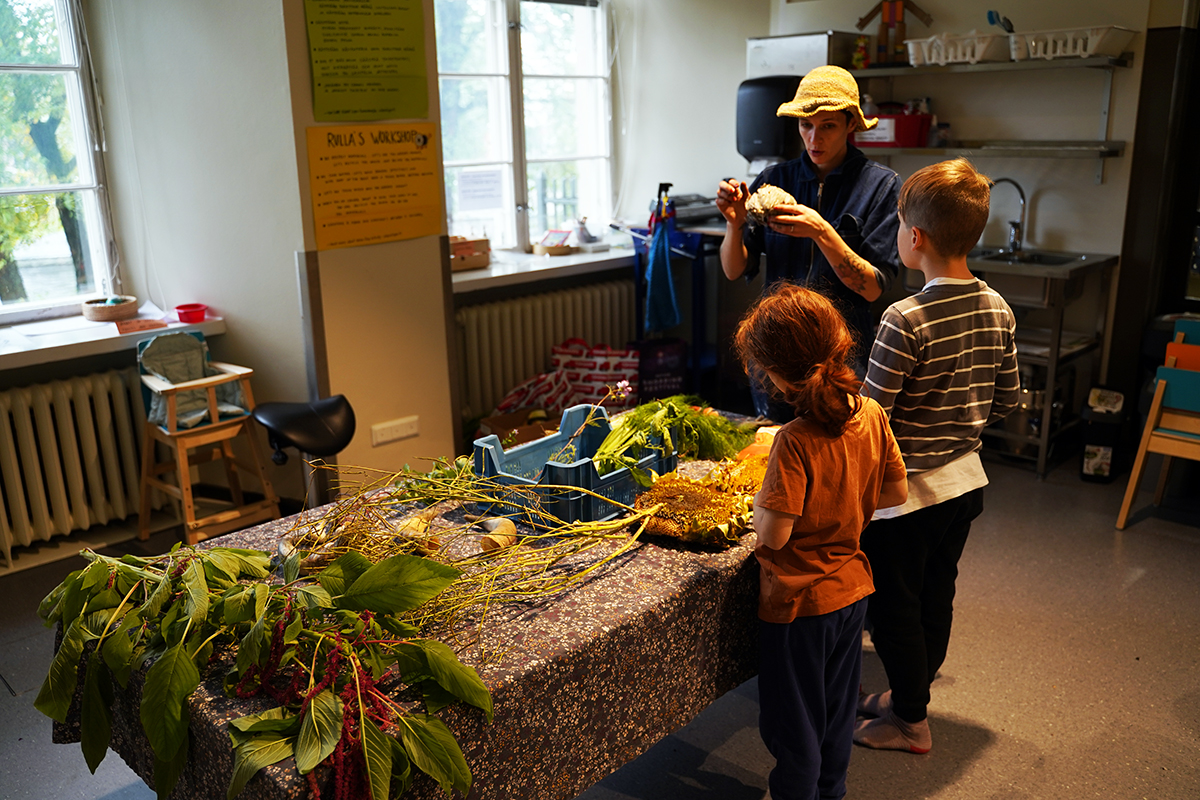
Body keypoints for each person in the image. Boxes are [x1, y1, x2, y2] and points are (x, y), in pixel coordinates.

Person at [855, 158, 1020, 753]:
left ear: (914, 238)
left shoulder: (905, 317)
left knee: (894, 606)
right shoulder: (998, 306)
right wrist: (958, 420)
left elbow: (873, 415)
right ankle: (909, 696)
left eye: (899, 225)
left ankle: (910, 724)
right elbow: (1007, 399)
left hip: (908, 496)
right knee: (935, 592)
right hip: (966, 486)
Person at [736, 284, 908, 800]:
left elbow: (774, 533)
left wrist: (760, 503)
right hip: (852, 592)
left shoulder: (792, 441)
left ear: (782, 377)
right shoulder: (872, 413)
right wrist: (843, 507)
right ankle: (831, 792)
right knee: (835, 714)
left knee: (794, 726)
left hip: (799, 605)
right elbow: (896, 490)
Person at [717, 65, 902, 419]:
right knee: (776, 452)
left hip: (842, 359)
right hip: (777, 354)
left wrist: (822, 232)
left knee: (837, 459)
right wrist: (735, 223)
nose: (815, 139)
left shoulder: (880, 186)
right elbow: (733, 269)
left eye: (828, 126)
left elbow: (874, 289)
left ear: (850, 125)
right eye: (806, 126)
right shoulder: (774, 179)